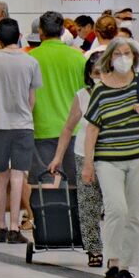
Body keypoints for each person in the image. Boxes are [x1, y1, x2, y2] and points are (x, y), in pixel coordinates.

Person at [82, 37, 139, 278]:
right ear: (110, 59)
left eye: (128, 53)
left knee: (134, 215)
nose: (124, 58)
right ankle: (112, 262)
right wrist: (88, 163)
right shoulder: (101, 90)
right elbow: (92, 129)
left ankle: (125, 267)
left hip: (136, 157)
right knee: (117, 209)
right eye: (119, 54)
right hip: (108, 160)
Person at [0, 17, 42, 245]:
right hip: (23, 125)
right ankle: (16, 227)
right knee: (18, 176)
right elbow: (32, 99)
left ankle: (1, 226)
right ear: (19, 36)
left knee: (0, 176)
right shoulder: (30, 61)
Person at [48, 56, 104, 267]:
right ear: (89, 75)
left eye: (103, 71)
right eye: (96, 73)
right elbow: (68, 128)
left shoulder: (121, 95)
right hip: (84, 154)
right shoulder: (82, 96)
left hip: (113, 155)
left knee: (117, 207)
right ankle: (94, 249)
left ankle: (119, 252)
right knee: (88, 203)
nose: (100, 77)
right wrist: (58, 157)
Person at [29, 11, 87, 183]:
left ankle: (50, 211)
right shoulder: (79, 58)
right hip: (74, 128)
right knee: (77, 184)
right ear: (62, 31)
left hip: (41, 128)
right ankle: (77, 211)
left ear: (40, 31)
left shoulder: (31, 58)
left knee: (46, 182)